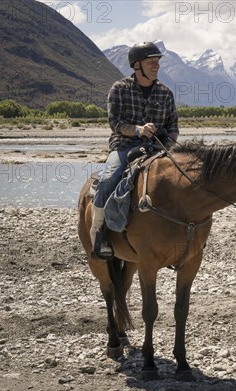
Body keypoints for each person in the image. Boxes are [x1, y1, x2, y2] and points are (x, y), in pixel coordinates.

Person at [90, 41, 180, 259]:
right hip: (124, 146)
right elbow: (115, 123)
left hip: (156, 150)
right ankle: (98, 234)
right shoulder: (119, 89)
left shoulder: (165, 94)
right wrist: (139, 130)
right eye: (151, 62)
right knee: (109, 178)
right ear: (137, 65)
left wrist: (165, 145)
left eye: (157, 62)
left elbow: (173, 127)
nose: (156, 66)